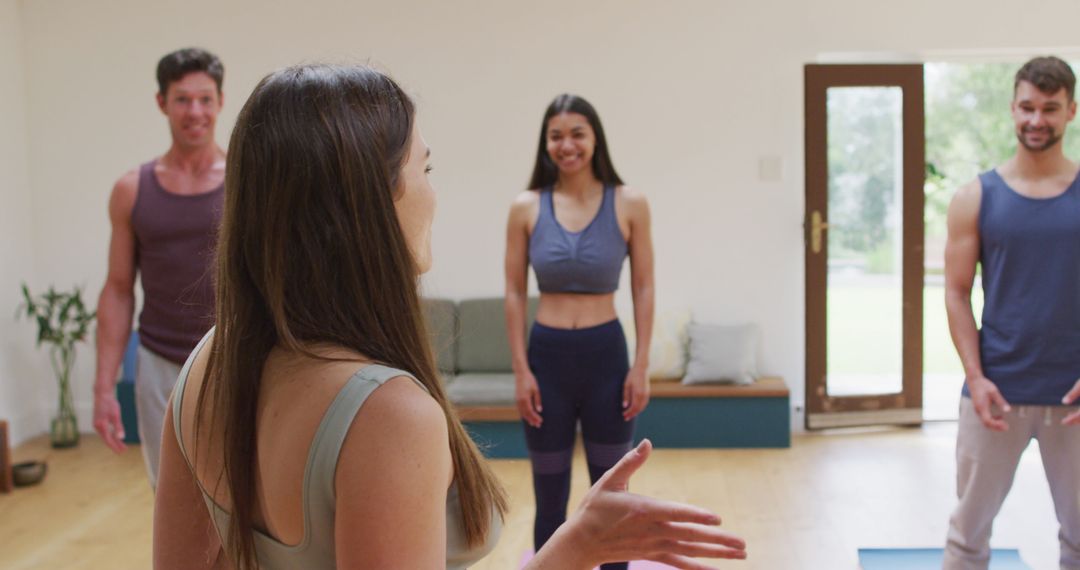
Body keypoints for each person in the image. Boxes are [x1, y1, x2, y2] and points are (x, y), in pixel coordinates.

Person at [152, 64, 746, 570]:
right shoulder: (386, 415)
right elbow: (516, 292)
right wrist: (574, 548)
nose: (433, 194)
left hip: (603, 350)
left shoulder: (207, 362)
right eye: (425, 169)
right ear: (371, 199)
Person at [504, 94, 655, 570]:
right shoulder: (526, 207)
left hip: (606, 358)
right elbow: (511, 291)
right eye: (556, 135)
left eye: (577, 134)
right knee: (550, 498)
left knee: (610, 495)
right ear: (545, 143)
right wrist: (521, 371)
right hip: (546, 358)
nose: (566, 145)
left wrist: (642, 366)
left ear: (595, 138)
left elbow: (645, 286)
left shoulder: (629, 202)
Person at [943, 55, 1080, 569]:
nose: (1036, 120)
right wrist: (976, 379)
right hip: (994, 398)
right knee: (967, 538)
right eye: (1027, 107)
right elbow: (956, 293)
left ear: (1071, 111)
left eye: (1050, 108)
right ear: (1012, 109)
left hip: (1072, 399)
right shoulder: (975, 197)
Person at [92, 47, 226, 488]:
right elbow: (117, 289)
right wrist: (103, 388)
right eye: (183, 99)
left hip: (231, 357)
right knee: (170, 492)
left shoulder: (246, 181)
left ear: (221, 102)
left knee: (238, 495)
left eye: (205, 99)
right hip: (158, 363)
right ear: (161, 103)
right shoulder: (131, 190)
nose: (195, 111)